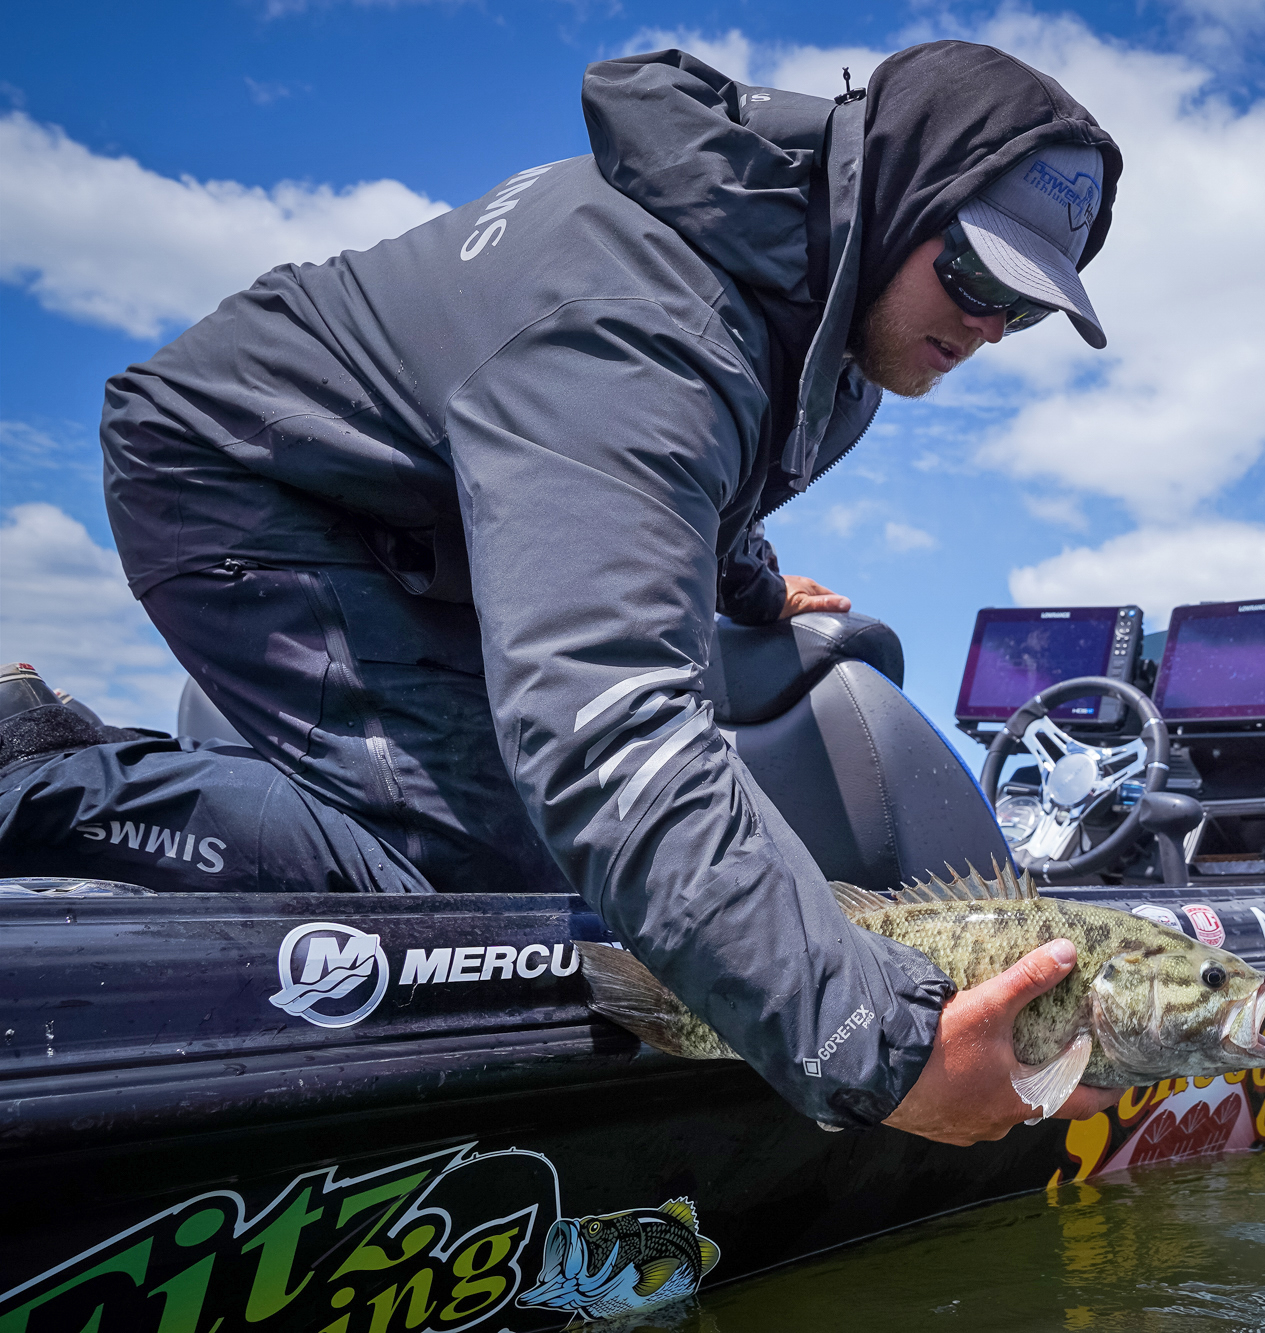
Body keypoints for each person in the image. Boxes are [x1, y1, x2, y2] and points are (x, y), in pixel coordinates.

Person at [0, 42, 1123, 1143]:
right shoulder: (648, 321)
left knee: (530, 856)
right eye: (974, 273)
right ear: (894, 190)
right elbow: (607, 726)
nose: (984, 325)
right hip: (244, 484)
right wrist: (880, 1047)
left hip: (423, 516)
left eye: (1022, 309)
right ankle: (40, 765)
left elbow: (680, 486)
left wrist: (753, 587)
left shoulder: (821, 307)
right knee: (487, 896)